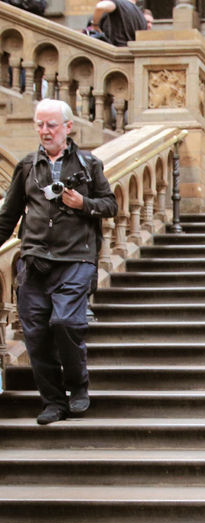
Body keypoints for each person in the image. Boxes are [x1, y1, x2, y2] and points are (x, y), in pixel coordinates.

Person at [0, 99, 117, 425]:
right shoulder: (27, 166)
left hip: (76, 259)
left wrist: (83, 203)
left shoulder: (88, 163)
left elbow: (110, 205)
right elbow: (8, 216)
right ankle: (53, 402)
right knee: (35, 335)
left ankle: (77, 385)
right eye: (40, 124)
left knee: (65, 323)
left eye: (51, 124)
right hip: (35, 262)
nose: (44, 130)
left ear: (68, 126)